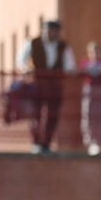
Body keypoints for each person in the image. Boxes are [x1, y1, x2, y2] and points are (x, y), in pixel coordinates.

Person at [17, 19, 75, 153]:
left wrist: (66, 72)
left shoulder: (63, 46)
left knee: (53, 114)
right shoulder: (33, 43)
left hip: (55, 85)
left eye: (56, 31)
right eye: (50, 30)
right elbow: (21, 60)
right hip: (37, 84)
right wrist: (26, 69)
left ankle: (46, 143)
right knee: (35, 113)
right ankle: (37, 142)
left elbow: (70, 66)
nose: (53, 33)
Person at [79, 42, 101, 155]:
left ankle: (99, 142)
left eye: (98, 51)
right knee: (87, 115)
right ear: (89, 53)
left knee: (100, 116)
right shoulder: (85, 64)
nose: (96, 54)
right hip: (89, 89)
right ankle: (89, 141)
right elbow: (80, 72)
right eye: (93, 52)